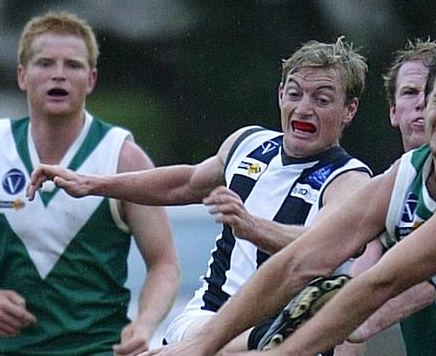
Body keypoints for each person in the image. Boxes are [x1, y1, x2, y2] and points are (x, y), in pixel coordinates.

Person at [138, 35, 436, 356]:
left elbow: (382, 282)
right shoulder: (410, 171)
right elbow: (304, 259)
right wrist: (201, 345)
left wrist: (280, 354)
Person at [27, 37, 373, 354]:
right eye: (295, 94)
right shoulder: (248, 144)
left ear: (350, 110)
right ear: (281, 93)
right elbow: (186, 182)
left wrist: (253, 227)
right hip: (208, 315)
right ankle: (252, 339)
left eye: (322, 99)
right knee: (207, 340)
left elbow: (323, 243)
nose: (304, 108)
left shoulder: (349, 179)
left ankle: (259, 337)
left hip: (292, 334)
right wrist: (91, 183)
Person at [0, 11, 180, 356]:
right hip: (7, 350)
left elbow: (164, 262)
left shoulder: (122, 158)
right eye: (45, 63)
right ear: (23, 76)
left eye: (73, 65)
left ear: (91, 79)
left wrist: (144, 324)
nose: (58, 74)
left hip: (98, 348)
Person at [341, 39, 436, 355]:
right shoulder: (391, 190)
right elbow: (356, 285)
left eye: (432, 93)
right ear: (393, 112)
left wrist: (354, 322)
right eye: (409, 92)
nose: (421, 102)